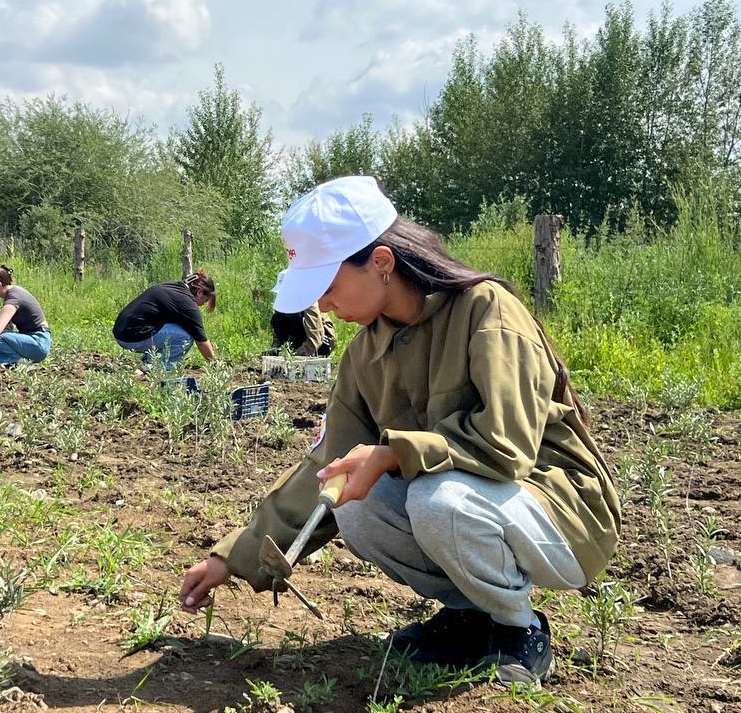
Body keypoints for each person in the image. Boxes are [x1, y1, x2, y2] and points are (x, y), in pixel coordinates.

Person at [179, 177, 620, 685]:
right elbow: (327, 466)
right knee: (354, 501)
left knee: (437, 500)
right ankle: (469, 618)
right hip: (478, 504)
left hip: (561, 513)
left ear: (382, 263)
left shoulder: (487, 310)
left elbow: (507, 445)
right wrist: (233, 557)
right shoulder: (363, 356)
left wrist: (391, 455)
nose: (320, 306)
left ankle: (518, 629)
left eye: (327, 285)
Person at [112, 270, 217, 368]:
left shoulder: (172, 287)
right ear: (199, 292)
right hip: (131, 338)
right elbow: (201, 341)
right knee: (186, 336)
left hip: (121, 332)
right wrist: (214, 363)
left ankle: (149, 362)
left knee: (176, 329)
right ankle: (163, 369)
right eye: (206, 300)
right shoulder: (187, 303)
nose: (204, 304)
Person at [268, 303, 336, 357]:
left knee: (296, 316)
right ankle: (297, 350)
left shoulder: (309, 303)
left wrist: (295, 355)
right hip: (301, 339)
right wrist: (275, 349)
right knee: (278, 317)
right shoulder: (282, 303)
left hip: (322, 341)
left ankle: (306, 354)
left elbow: (316, 338)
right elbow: (278, 331)